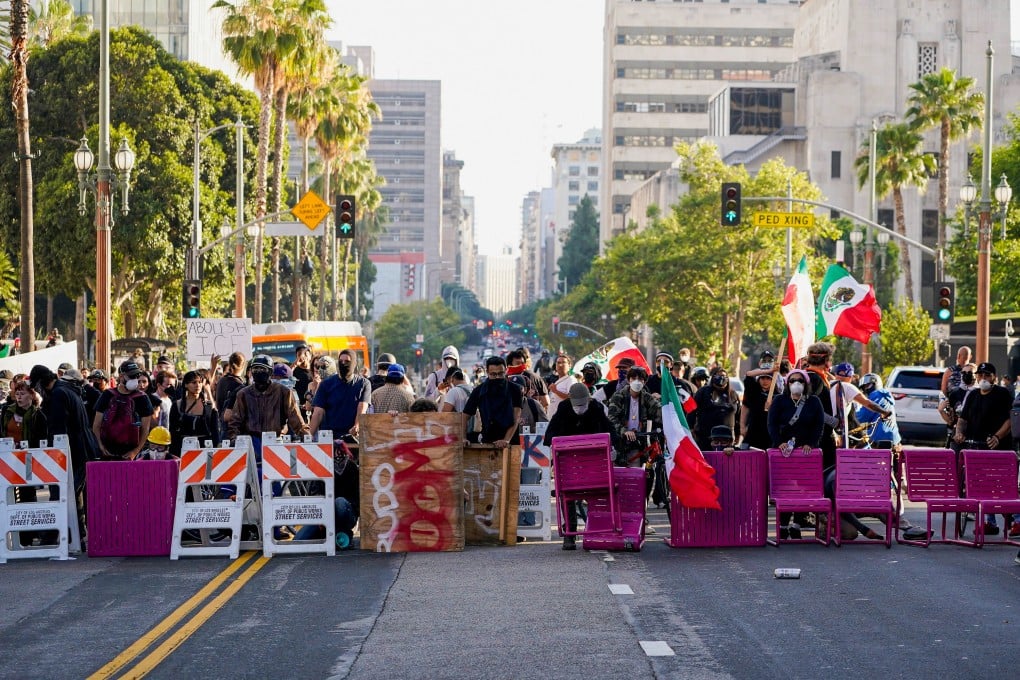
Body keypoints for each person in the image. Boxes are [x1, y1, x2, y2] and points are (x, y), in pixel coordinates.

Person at [544, 382, 617, 550]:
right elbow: (550, 435)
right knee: (566, 491)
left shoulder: (595, 408)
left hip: (593, 466)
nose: (580, 408)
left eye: (583, 404)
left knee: (570, 491)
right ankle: (571, 531)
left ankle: (591, 528)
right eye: (576, 405)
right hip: (572, 466)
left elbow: (610, 430)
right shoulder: (563, 408)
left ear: (588, 400)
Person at [30, 364, 99, 539]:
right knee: (74, 493)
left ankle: (55, 535)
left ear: (42, 383)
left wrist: (54, 454)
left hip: (75, 450)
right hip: (82, 448)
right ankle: (79, 536)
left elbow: (58, 429)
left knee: (64, 494)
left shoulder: (59, 394)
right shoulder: (65, 390)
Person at [954, 361, 1016, 536]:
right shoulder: (973, 395)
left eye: (987, 375)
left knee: (1003, 485)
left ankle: (1016, 519)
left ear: (994, 377)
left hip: (998, 447)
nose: (983, 379)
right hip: (976, 446)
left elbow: (1010, 419)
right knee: (981, 484)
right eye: (980, 375)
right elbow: (963, 419)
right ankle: (990, 521)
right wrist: (959, 433)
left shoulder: (1002, 394)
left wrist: (998, 436)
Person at [767, 368, 824, 539]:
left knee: (803, 488)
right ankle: (783, 525)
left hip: (805, 453)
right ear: (787, 383)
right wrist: (779, 443)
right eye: (792, 380)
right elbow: (771, 424)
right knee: (785, 488)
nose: (796, 383)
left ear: (806, 384)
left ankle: (797, 524)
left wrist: (811, 444)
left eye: (800, 380)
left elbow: (818, 426)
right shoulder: (779, 400)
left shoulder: (814, 402)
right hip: (784, 453)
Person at [228, 355, 309, 447]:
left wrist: (307, 437)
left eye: (262, 369)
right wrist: (234, 440)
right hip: (251, 442)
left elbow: (296, 419)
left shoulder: (284, 392)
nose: (258, 372)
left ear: (270, 372)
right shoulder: (243, 394)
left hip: (276, 441)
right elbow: (235, 422)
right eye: (255, 369)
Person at [92, 360, 155, 461]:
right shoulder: (107, 395)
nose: (135, 379)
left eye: (136, 376)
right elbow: (96, 425)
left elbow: (145, 429)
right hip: (107, 451)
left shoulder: (142, 398)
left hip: (131, 454)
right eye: (131, 376)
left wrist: (135, 452)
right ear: (121, 376)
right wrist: (101, 446)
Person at [607, 365, 662, 467]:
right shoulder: (619, 396)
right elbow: (611, 418)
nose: (637, 381)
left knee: (635, 472)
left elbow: (659, 411)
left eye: (640, 379)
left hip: (638, 442)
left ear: (644, 382)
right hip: (619, 442)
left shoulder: (646, 397)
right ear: (628, 380)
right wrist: (624, 431)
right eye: (633, 378)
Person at [309, 348, 371, 439]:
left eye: (347, 361)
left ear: (354, 363)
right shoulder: (326, 384)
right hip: (329, 437)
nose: (343, 363)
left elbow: (362, 408)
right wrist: (308, 437)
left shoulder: (363, 383)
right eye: (341, 361)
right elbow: (318, 412)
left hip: (352, 436)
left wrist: (357, 426)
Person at [463, 356, 523, 447]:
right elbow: (465, 415)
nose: (497, 377)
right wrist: (463, 438)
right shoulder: (479, 391)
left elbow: (516, 416)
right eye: (493, 374)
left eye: (500, 373)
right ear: (487, 372)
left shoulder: (515, 389)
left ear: (506, 370)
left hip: (511, 442)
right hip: (487, 441)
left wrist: (506, 440)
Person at [829, 362, 891, 447]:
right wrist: (884, 412)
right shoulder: (847, 386)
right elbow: (868, 404)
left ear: (836, 374)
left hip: (824, 426)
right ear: (850, 377)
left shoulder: (828, 384)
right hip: (836, 429)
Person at [169, 370, 220, 457]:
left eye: (200, 382)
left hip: (204, 450)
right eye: (194, 382)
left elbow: (215, 432)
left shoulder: (208, 406)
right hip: (182, 450)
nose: (198, 385)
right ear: (186, 385)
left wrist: (216, 451)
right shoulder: (177, 405)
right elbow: (173, 431)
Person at [692, 367, 740, 451]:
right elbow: (692, 411)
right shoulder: (703, 392)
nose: (721, 378)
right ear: (713, 377)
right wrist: (691, 429)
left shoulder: (733, 394)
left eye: (724, 376)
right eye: (718, 376)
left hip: (727, 439)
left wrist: (738, 433)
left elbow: (738, 416)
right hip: (705, 437)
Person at [940, 363, 976, 447]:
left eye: (970, 373)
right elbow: (951, 421)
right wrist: (941, 411)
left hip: (976, 434)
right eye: (963, 373)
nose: (966, 375)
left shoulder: (980, 392)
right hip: (958, 435)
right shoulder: (955, 393)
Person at [739, 371, 774, 450]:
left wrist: (772, 407)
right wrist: (742, 426)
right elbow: (748, 375)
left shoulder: (777, 395)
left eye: (768, 378)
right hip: (753, 431)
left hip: (769, 434)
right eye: (762, 378)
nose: (765, 381)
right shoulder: (753, 392)